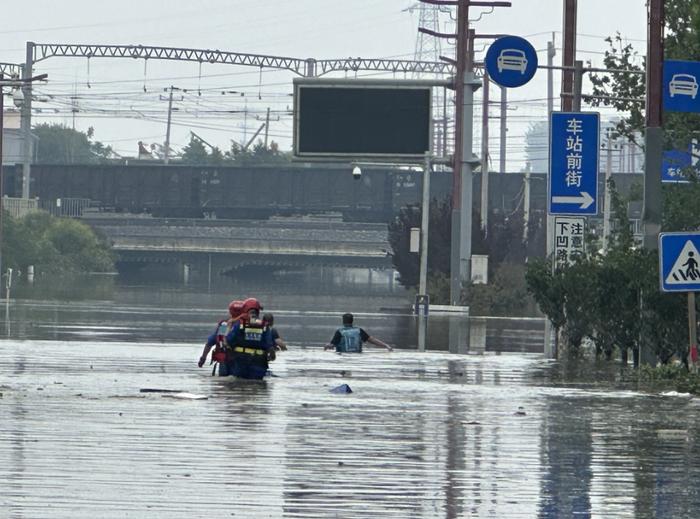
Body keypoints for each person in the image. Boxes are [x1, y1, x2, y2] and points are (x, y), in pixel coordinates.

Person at [223, 298, 276, 379]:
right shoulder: (264, 326)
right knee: (258, 383)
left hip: (239, 361)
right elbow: (269, 345)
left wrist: (227, 333)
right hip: (259, 362)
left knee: (238, 382)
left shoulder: (235, 324)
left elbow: (227, 341)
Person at [198, 300, 244, 374]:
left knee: (224, 383)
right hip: (243, 361)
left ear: (230, 311)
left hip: (225, 360)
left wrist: (203, 358)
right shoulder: (248, 325)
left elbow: (210, 342)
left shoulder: (224, 325)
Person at [324, 313, 393, 353]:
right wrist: (386, 345)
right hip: (357, 355)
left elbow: (332, 345)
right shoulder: (359, 331)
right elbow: (372, 340)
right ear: (352, 321)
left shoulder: (339, 332)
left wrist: (327, 346)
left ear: (343, 321)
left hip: (344, 356)